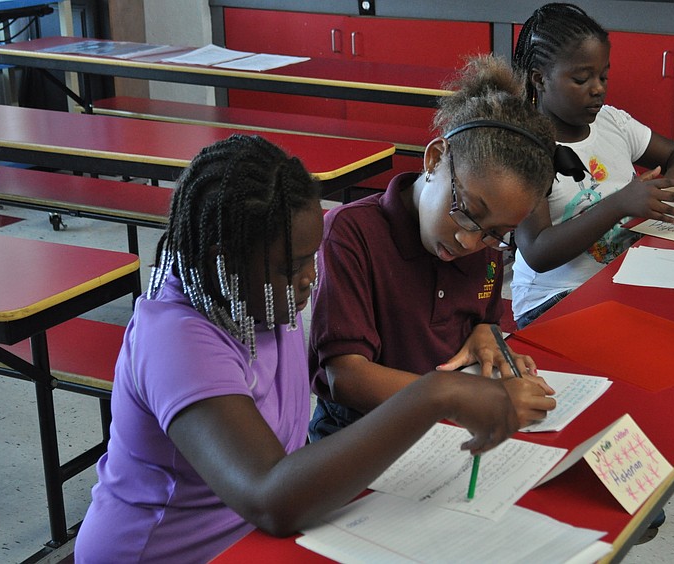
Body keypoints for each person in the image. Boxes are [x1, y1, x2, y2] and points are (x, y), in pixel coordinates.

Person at [73, 134, 548, 563]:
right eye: (292, 266)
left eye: (310, 259)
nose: (310, 278)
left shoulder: (260, 300)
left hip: (253, 544)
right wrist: (436, 394)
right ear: (225, 261)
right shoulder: (175, 339)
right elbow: (268, 497)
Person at [308, 54, 561, 442]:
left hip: (446, 426)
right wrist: (466, 397)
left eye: (497, 232)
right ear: (435, 159)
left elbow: (480, 320)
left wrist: (486, 335)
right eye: (467, 212)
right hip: (359, 435)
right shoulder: (351, 233)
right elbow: (347, 377)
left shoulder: (486, 246)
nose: (470, 241)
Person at [510, 2, 674, 329]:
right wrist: (619, 204)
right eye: (582, 79)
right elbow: (538, 252)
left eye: (603, 76)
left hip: (620, 277)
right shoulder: (526, 147)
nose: (598, 88)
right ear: (540, 79)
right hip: (554, 298)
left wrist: (669, 189)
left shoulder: (612, 122)